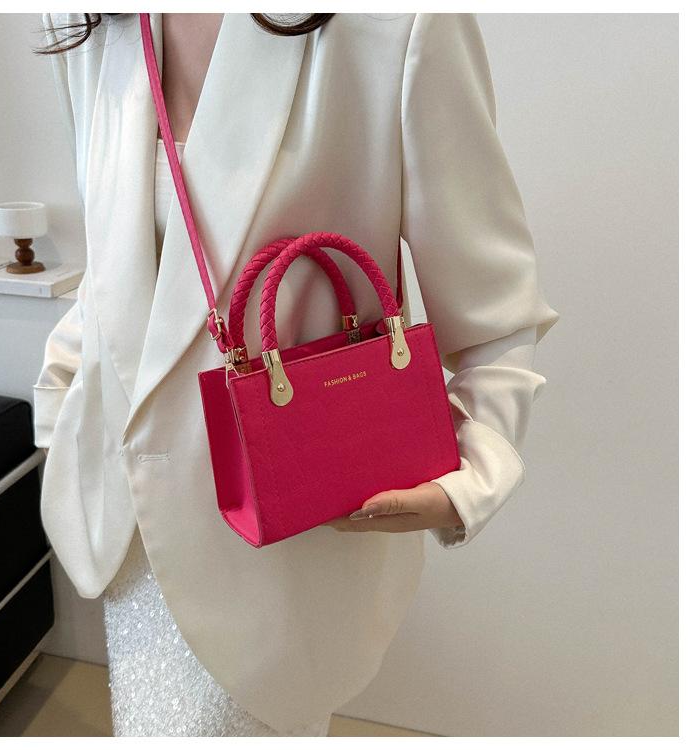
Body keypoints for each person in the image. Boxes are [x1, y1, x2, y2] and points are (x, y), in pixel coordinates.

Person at [34, 12, 559, 737]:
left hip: (284, 551)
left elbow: (494, 313)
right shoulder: (87, 21)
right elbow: (113, 264)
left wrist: (472, 474)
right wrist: (57, 399)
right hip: (124, 531)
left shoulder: (398, 26)